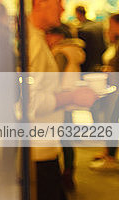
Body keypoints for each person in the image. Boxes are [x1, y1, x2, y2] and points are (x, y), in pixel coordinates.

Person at [28, 0, 97, 200]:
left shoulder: (38, 40)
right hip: (37, 153)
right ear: (39, 2)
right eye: (58, 1)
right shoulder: (32, 43)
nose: (63, 7)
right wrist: (71, 97)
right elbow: (30, 102)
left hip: (46, 149)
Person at [45, 23, 85, 191]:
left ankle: (65, 176)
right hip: (68, 101)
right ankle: (69, 173)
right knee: (67, 140)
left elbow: (54, 80)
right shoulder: (73, 51)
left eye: (49, 35)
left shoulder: (60, 53)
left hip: (61, 101)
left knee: (62, 140)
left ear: (57, 37)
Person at [89, 12, 119, 171]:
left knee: (114, 121)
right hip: (114, 89)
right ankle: (109, 153)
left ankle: (110, 157)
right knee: (113, 120)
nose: (108, 29)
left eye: (111, 25)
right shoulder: (115, 43)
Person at [75, 5, 106, 72]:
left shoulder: (82, 30)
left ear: (77, 14)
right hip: (100, 62)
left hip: (88, 66)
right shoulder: (98, 25)